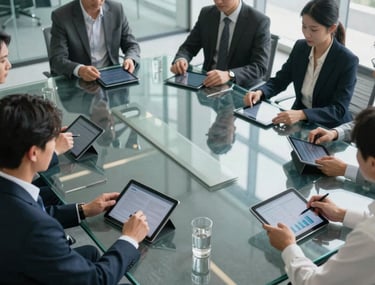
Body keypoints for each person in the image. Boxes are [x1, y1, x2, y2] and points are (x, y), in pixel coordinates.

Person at [0, 93, 149, 284]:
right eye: (53, 138)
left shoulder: (12, 189)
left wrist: (83, 210)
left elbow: (30, 214)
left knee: (91, 253)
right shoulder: (38, 228)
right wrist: (130, 238)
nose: (58, 142)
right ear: (34, 153)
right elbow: (95, 281)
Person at [264, 106, 375, 284]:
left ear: (372, 163)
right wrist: (342, 214)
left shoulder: (368, 238)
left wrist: (288, 246)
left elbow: (313, 282)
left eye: (358, 149)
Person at [244, 0, 358, 128]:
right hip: (300, 124)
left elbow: (338, 109)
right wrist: (260, 92)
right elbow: (280, 80)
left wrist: (302, 114)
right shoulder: (300, 47)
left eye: (314, 29)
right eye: (304, 26)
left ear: (331, 28)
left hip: (329, 129)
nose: (306, 34)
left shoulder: (347, 61)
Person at [170, 0, 271, 89]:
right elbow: (189, 47)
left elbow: (259, 66)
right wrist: (181, 59)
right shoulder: (207, 14)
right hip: (207, 85)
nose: (218, 2)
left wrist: (229, 75)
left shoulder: (259, 21)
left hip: (239, 89)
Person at [50, 0, 140, 82]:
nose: (97, 2)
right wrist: (80, 70)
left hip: (111, 78)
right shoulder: (61, 16)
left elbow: (132, 45)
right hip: (79, 82)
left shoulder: (116, 9)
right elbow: (57, 59)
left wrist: (130, 59)